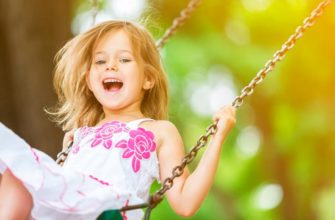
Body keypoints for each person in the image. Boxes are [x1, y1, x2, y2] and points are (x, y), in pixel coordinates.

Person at [0, 20, 236, 220]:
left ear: (148, 79)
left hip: (109, 212)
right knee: (17, 173)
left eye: (124, 59)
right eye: (100, 61)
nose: (110, 65)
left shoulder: (159, 131)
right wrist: (66, 158)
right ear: (89, 81)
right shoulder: (80, 134)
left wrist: (217, 138)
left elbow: (185, 203)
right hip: (68, 211)